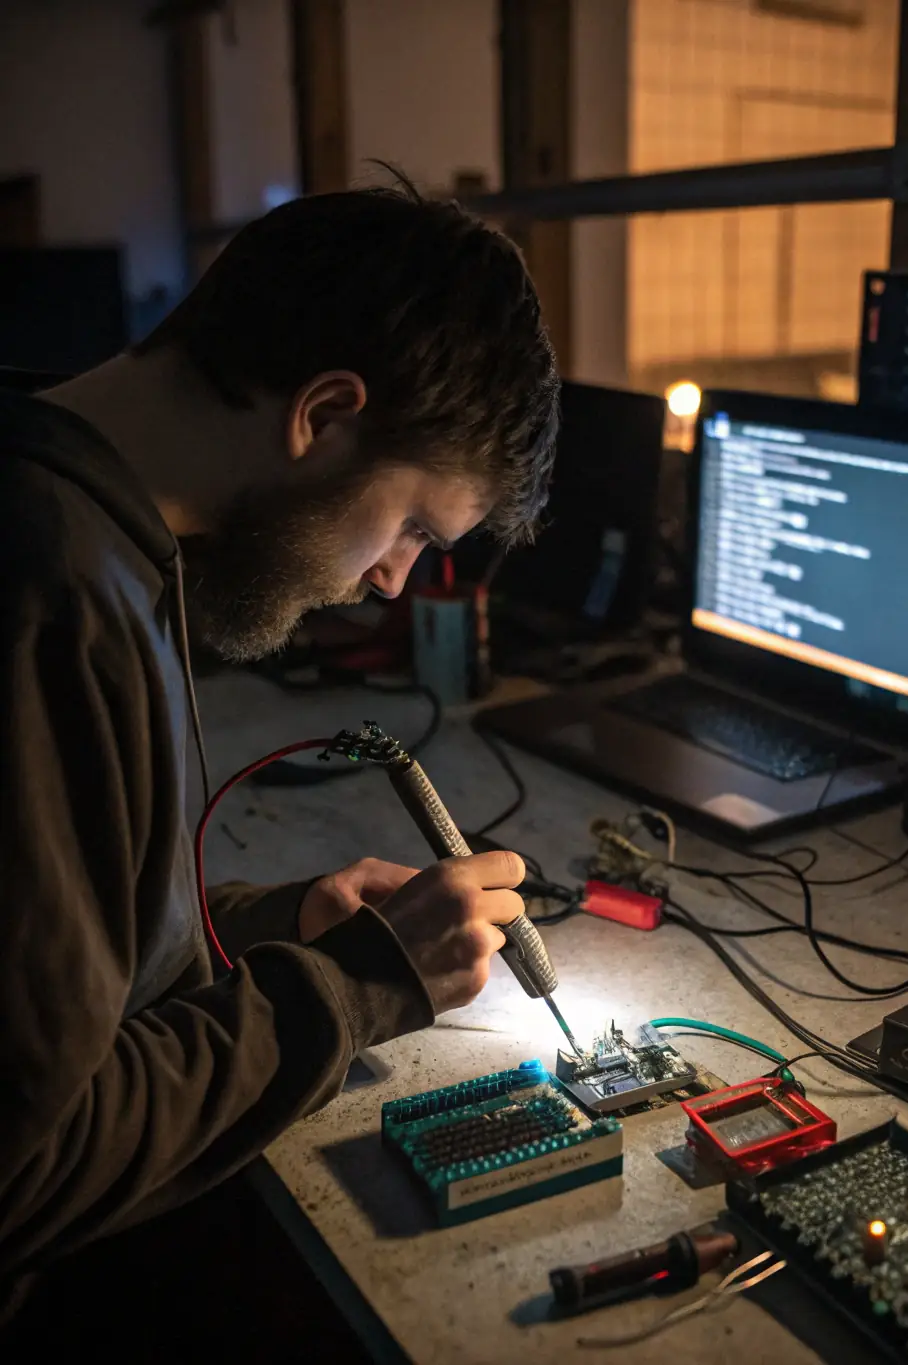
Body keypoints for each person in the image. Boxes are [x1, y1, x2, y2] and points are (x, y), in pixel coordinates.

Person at [0, 181, 559, 1337]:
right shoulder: (47, 596)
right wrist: (358, 986)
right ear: (326, 414)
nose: (394, 582)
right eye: (414, 528)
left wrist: (280, 923)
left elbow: (61, 961)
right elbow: (27, 1166)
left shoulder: (95, 525)